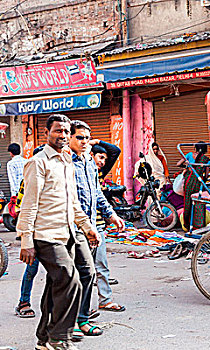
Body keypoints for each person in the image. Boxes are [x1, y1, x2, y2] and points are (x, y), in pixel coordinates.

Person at [17, 114, 101, 350]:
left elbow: (72, 202)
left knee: (56, 285)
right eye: (57, 131)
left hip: (67, 234)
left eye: (65, 131)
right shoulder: (38, 162)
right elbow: (30, 203)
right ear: (46, 133)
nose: (62, 136)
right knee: (70, 279)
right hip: (45, 234)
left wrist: (87, 227)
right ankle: (60, 338)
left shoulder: (66, 162)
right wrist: (26, 239)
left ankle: (44, 339)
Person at [69, 121, 126, 340]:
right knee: (75, 275)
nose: (84, 142)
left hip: (91, 226)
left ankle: (81, 319)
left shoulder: (89, 163)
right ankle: (70, 321)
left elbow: (97, 193)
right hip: (72, 227)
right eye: (79, 137)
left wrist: (111, 214)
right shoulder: (64, 162)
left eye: (87, 138)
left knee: (86, 273)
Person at [89, 139, 127, 313]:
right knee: (81, 270)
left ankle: (105, 300)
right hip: (81, 229)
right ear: (90, 156)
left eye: (104, 159)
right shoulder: (75, 169)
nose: (103, 162)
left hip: (98, 227)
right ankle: (79, 307)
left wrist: (97, 141)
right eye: (99, 157)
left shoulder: (100, 173)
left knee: (101, 266)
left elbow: (116, 151)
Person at [14, 146, 45, 319]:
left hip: (53, 231)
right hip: (35, 232)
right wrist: (27, 237)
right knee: (32, 269)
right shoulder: (28, 179)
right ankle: (23, 302)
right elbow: (21, 207)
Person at [182, 141, 210, 230]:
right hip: (198, 183)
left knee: (187, 203)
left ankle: (187, 224)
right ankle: (197, 225)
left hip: (188, 182)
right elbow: (206, 174)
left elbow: (178, 164)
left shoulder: (190, 155)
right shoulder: (206, 159)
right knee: (198, 203)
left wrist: (187, 167)